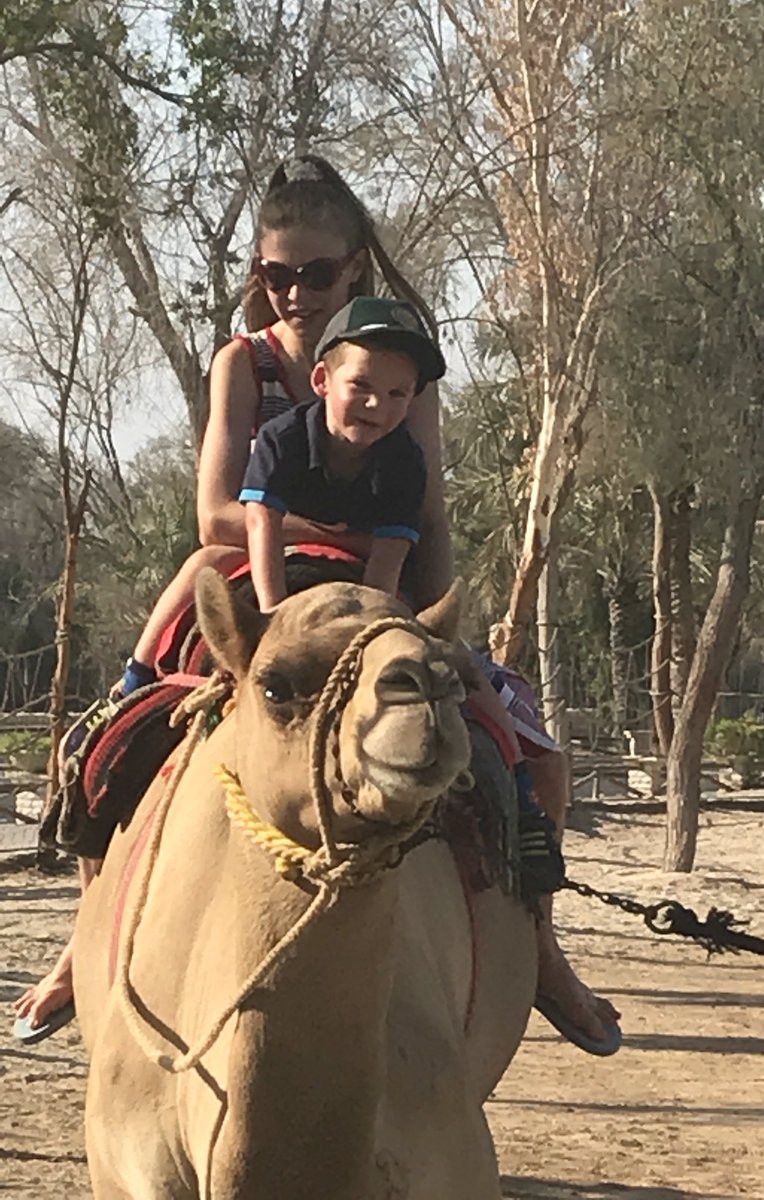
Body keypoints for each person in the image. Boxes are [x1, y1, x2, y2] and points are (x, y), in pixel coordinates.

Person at [14, 156, 617, 1053]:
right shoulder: (242, 364)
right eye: (277, 274)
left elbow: (425, 512)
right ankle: (85, 942)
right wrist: (325, 534)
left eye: (318, 273)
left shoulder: (405, 374)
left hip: (381, 583)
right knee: (115, 746)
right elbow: (218, 514)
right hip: (261, 576)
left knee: (534, 757)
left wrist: (436, 623)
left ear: (354, 269)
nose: (296, 293)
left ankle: (540, 952)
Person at [242, 295, 444, 610]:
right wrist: (273, 612)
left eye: (397, 393)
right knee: (207, 563)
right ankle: (154, 643)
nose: (377, 404)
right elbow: (260, 522)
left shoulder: (405, 462)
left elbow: (388, 558)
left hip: (361, 563)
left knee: (417, 616)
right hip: (281, 550)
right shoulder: (281, 439)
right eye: (361, 385)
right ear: (321, 380)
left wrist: (371, 621)